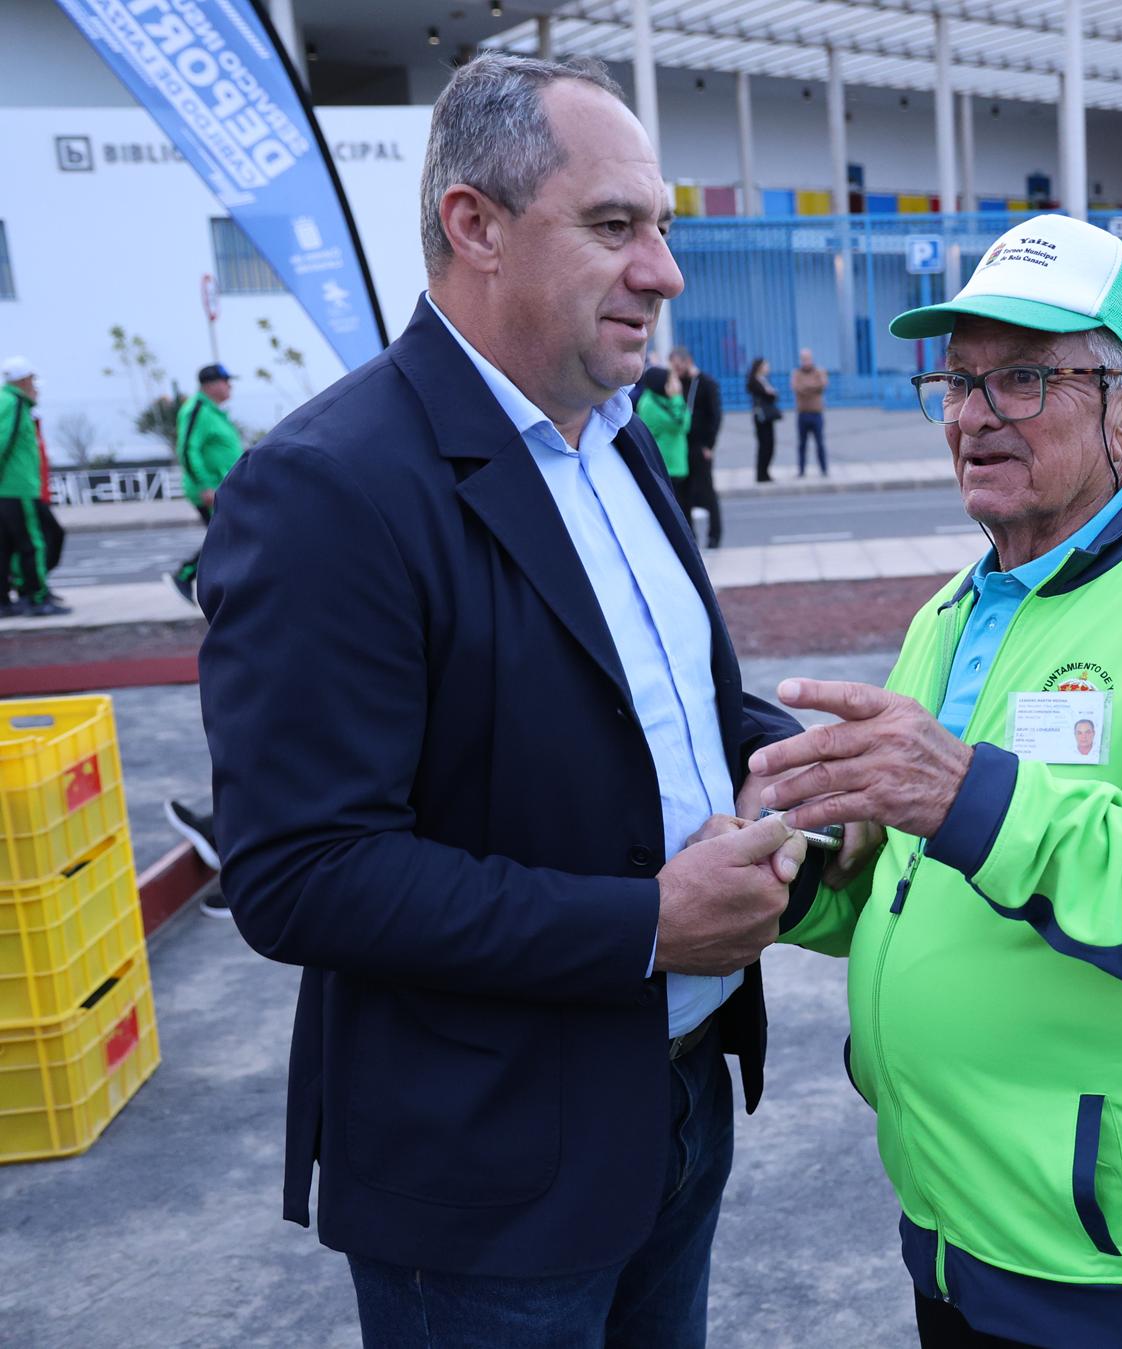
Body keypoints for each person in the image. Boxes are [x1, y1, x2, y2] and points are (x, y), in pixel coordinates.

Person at [195, 53, 827, 1345]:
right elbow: (302, 869)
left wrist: (801, 762)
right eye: (614, 227)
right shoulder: (328, 485)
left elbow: (667, 707)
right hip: (486, 1187)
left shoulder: (616, 434)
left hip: (676, 1105)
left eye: (659, 227)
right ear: (473, 226)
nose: (663, 271)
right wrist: (647, 925)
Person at [746, 214, 1122, 1348]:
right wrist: (790, 869)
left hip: (1112, 1260)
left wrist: (968, 795)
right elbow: (912, 876)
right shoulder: (950, 609)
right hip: (954, 1229)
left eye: (1023, 374)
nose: (972, 414)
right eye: (957, 379)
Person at [164, 362, 244, 608]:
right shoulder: (197, 408)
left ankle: (226, 589)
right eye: (226, 381)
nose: (230, 386)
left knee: (231, 539)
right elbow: (187, 449)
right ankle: (185, 574)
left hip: (224, 489)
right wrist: (204, 485)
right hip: (210, 491)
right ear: (211, 385)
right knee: (230, 538)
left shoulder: (215, 412)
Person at [0, 357, 65, 617]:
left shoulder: (8, 401)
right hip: (17, 487)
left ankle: (5, 600)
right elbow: (3, 442)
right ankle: (37, 596)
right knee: (33, 543)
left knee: (6, 546)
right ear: (25, 380)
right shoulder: (14, 403)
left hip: (10, 488)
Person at [672, 347, 723, 548]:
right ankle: (690, 536)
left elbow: (716, 416)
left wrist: (709, 444)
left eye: (678, 365)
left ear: (688, 361)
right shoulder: (676, 384)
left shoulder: (706, 383)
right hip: (681, 446)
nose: (676, 370)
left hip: (700, 446)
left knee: (707, 491)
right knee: (682, 492)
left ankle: (714, 535)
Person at [634, 362, 692, 515]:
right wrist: (678, 398)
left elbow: (687, 423)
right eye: (671, 381)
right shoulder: (649, 404)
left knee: (685, 511)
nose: (676, 385)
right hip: (665, 465)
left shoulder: (663, 400)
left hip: (677, 463)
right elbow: (679, 424)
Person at [791, 346, 828, 477]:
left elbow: (822, 385)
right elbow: (797, 388)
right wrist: (813, 387)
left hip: (816, 413)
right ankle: (801, 470)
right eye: (804, 359)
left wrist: (807, 387)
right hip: (803, 413)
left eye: (808, 359)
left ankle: (824, 469)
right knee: (802, 444)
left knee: (820, 443)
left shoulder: (819, 371)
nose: (806, 361)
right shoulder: (796, 373)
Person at [746, 356, 780, 483]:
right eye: (766, 365)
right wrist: (770, 393)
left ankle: (765, 472)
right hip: (761, 417)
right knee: (764, 445)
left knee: (770, 444)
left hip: (768, 417)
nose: (768, 368)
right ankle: (761, 473)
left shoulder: (764, 380)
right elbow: (766, 395)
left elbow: (773, 396)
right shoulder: (754, 381)